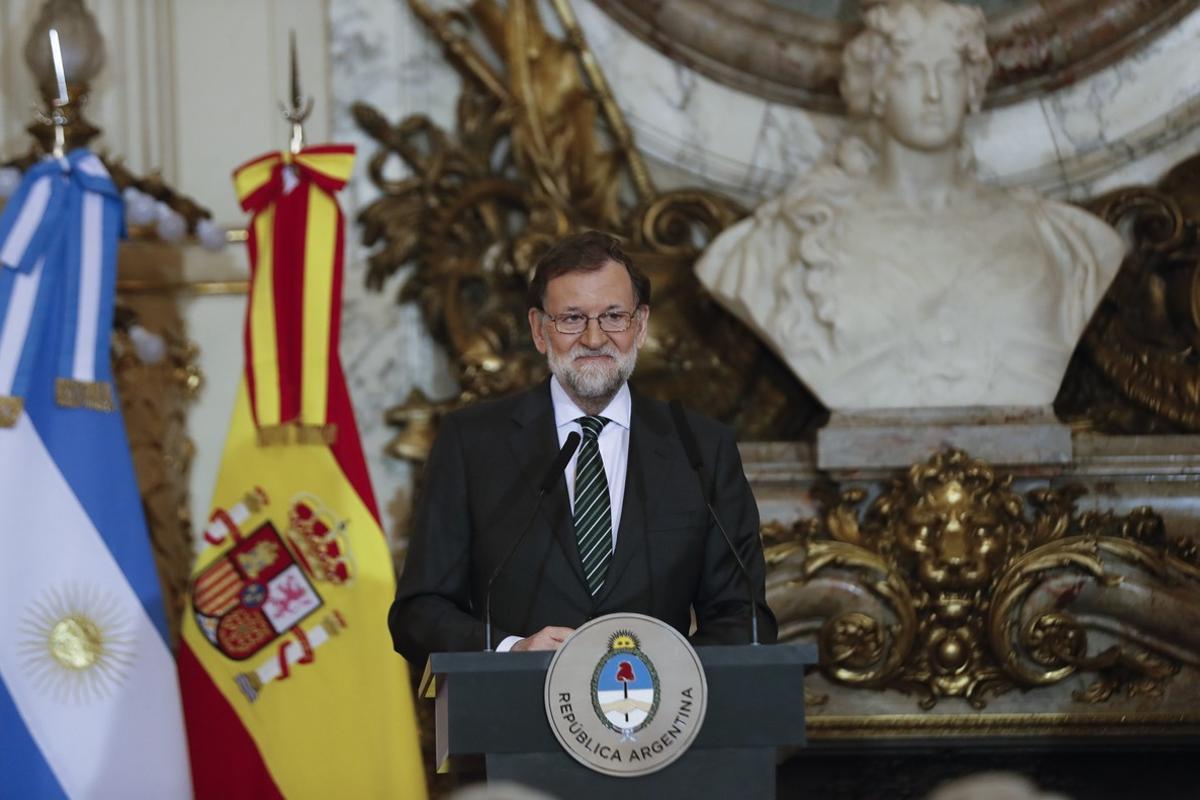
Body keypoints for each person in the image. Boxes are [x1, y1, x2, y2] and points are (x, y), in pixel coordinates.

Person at [695, 0, 1123, 410]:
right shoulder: (790, 241)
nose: (934, 92)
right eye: (912, 73)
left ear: (973, 85)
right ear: (877, 88)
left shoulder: (1062, 240)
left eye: (950, 72)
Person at [389, 231, 776, 665]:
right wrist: (512, 650)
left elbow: (745, 617)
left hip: (662, 723)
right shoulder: (472, 442)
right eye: (572, 318)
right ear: (539, 330)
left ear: (641, 325)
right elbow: (418, 614)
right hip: (517, 716)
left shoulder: (702, 447)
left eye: (613, 316)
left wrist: (661, 669)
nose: (594, 338)